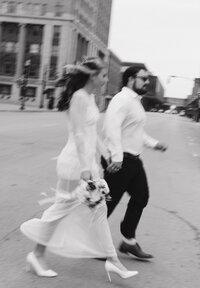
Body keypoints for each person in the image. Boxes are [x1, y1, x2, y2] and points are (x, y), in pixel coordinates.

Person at [20, 58, 138, 281]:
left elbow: (92, 133)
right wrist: (86, 169)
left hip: (85, 164)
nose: (106, 79)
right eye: (103, 75)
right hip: (75, 164)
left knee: (97, 209)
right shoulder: (78, 98)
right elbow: (79, 135)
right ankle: (37, 255)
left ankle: (112, 261)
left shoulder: (91, 98)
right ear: (92, 76)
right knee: (62, 210)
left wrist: (107, 156)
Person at [101, 66, 167, 260]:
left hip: (133, 161)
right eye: (143, 78)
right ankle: (93, 242)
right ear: (131, 79)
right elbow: (111, 128)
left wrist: (155, 144)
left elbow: (137, 132)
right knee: (107, 204)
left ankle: (128, 241)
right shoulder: (121, 100)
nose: (147, 82)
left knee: (141, 197)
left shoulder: (135, 102)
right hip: (120, 160)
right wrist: (117, 157)